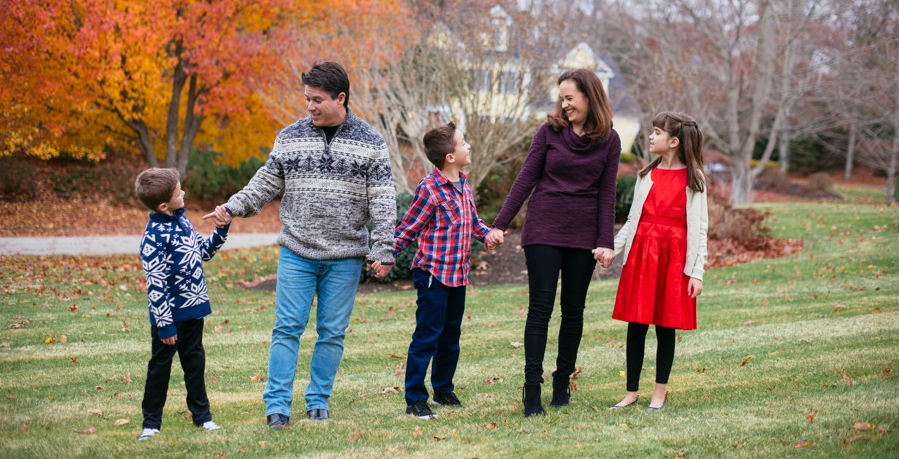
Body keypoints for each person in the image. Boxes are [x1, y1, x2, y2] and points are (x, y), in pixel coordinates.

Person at [206, 61, 396, 430]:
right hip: (297, 250)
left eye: (317, 99)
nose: (309, 106)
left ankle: (318, 401)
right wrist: (233, 207)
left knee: (332, 332)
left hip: (345, 255)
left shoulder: (371, 142)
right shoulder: (290, 137)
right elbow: (265, 182)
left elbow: (383, 200)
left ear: (340, 98)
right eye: (306, 98)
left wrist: (384, 249)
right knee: (287, 328)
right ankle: (277, 406)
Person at [491, 69, 620, 417]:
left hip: (583, 236)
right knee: (541, 309)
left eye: (569, 98)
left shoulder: (609, 139)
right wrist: (500, 225)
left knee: (573, 311)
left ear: (589, 97)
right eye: (561, 98)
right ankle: (532, 388)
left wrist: (605, 242)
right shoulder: (549, 132)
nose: (563, 105)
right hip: (544, 229)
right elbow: (525, 179)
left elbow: (607, 194)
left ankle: (562, 380)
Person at [388, 123, 505, 420]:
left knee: (450, 337)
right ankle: (415, 397)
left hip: (458, 275)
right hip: (432, 276)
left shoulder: (464, 184)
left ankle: (442, 389)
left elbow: (474, 222)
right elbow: (408, 227)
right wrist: (386, 256)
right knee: (427, 337)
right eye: (463, 143)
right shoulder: (429, 189)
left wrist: (487, 234)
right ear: (450, 157)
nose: (468, 147)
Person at [609, 111, 708, 412]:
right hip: (642, 254)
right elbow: (632, 221)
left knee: (666, 326)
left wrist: (696, 272)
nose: (650, 137)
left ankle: (659, 393)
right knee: (636, 324)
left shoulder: (694, 179)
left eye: (656, 132)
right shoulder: (646, 174)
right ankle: (631, 392)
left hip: (674, 257)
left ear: (674, 141)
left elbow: (700, 227)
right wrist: (614, 249)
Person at [134, 167, 230, 441]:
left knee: (195, 364)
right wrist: (164, 325)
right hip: (169, 318)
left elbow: (204, 252)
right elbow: (156, 284)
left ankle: (203, 418)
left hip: (194, 311)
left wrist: (221, 230)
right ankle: (151, 424)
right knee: (160, 369)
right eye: (179, 191)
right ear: (163, 204)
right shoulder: (153, 236)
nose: (183, 192)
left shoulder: (183, 222)